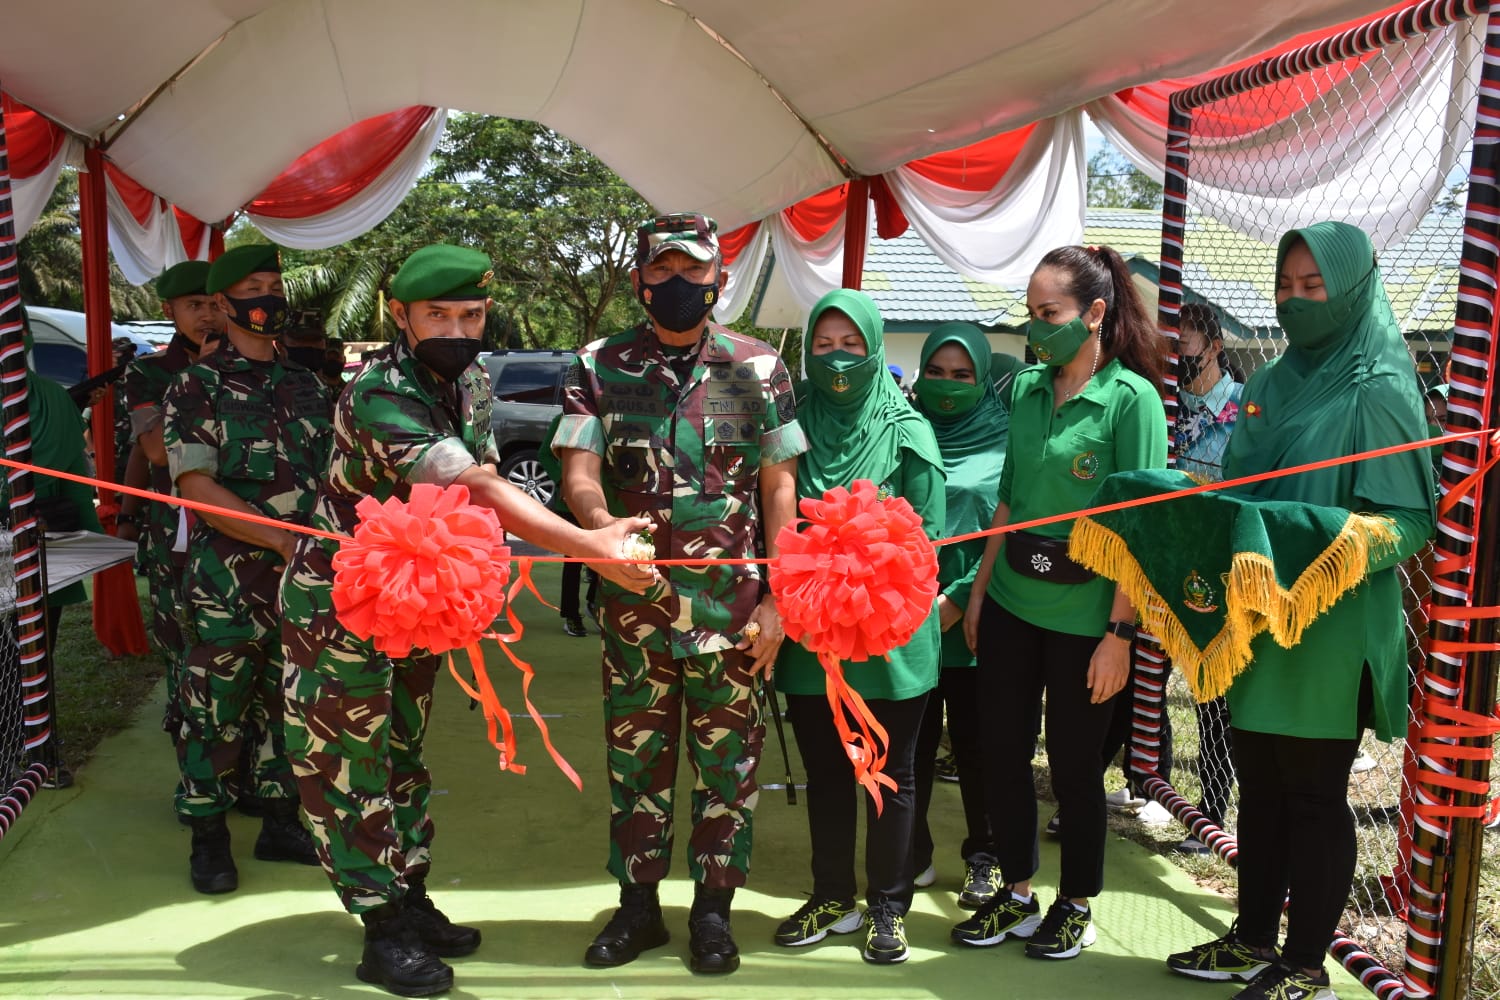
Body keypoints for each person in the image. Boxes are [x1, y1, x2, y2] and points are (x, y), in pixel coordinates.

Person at [280, 244, 654, 998]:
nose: (457, 327)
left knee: (403, 753)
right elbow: (477, 483)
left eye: (471, 314)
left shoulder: (474, 378)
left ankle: (409, 897)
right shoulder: (378, 388)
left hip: (414, 600)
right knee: (348, 766)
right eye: (438, 315)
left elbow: (472, 488)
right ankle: (380, 931)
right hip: (341, 605)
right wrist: (586, 544)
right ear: (399, 316)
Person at [1166, 222, 1433, 1000]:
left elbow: (1410, 521)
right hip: (1260, 616)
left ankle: (1306, 964)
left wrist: (1326, 547)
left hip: (1331, 623)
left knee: (1315, 797)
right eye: (1286, 287)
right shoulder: (1273, 383)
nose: (1297, 301)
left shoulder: (1378, 387)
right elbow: (1241, 492)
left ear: (1352, 288)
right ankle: (1252, 939)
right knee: (1261, 785)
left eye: (1315, 287)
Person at [558, 212, 805, 976]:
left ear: (718, 280)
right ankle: (638, 911)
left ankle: (712, 913)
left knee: (727, 766)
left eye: (690, 272)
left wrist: (779, 599)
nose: (675, 285)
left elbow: (780, 490)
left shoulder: (757, 367)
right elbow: (578, 471)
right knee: (637, 765)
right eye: (661, 272)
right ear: (638, 279)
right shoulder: (598, 365)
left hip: (731, 613)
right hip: (636, 610)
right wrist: (598, 529)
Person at [952, 244, 1167, 960]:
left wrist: (1120, 633)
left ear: (1096, 314)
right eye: (1031, 314)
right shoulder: (1026, 391)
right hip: (1013, 598)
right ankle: (1015, 893)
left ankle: (1076, 903)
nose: (1035, 329)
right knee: (1000, 752)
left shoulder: (1132, 401)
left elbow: (1142, 528)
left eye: (1049, 315)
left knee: (1075, 769)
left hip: (1087, 617)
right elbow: (1008, 502)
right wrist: (980, 594)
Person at [771, 289, 943, 967]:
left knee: (889, 775)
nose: (837, 359)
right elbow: (777, 520)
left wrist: (873, 573)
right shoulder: (789, 430)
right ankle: (832, 895)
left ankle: (889, 908)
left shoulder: (909, 431)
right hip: (812, 631)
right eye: (823, 345)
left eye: (851, 346)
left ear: (874, 349)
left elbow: (932, 541)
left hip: (889, 637)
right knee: (828, 771)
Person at [163, 243, 329, 894]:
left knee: (294, 704)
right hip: (226, 583)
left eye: (274, 286)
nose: (268, 299)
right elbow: (196, 488)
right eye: (252, 288)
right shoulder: (196, 386)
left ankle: (282, 821)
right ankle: (209, 837)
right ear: (224, 304)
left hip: (303, 579)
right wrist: (281, 542)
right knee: (215, 710)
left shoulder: (308, 384)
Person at [908, 322, 1008, 910]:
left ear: (982, 379)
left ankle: (986, 857)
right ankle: (910, 850)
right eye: (937, 374)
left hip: (977, 616)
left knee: (982, 744)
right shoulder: (904, 432)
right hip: (907, 618)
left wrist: (958, 597)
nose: (948, 386)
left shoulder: (1007, 439)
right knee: (911, 742)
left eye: (962, 375)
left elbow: (1005, 529)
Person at [119, 260, 224, 748]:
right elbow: (157, 451)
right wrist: (202, 374)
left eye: (214, 304)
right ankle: (188, 725)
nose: (207, 315)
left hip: (236, 524)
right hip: (174, 527)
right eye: (194, 305)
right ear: (169, 310)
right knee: (179, 633)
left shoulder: (251, 364)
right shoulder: (147, 373)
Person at [1166, 302, 1240, 852]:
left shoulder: (1243, 408)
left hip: (1218, 558)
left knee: (1214, 692)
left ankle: (1212, 808)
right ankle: (1151, 777)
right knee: (1144, 670)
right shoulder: (1162, 403)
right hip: (1162, 551)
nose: (1177, 354)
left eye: (1185, 343)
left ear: (1214, 345)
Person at [538, 413, 598, 637]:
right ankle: (571, 615)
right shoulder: (564, 419)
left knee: (604, 560)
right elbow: (545, 453)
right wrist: (563, 481)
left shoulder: (609, 415)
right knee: (573, 563)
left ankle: (594, 603)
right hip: (570, 504)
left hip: (602, 501)